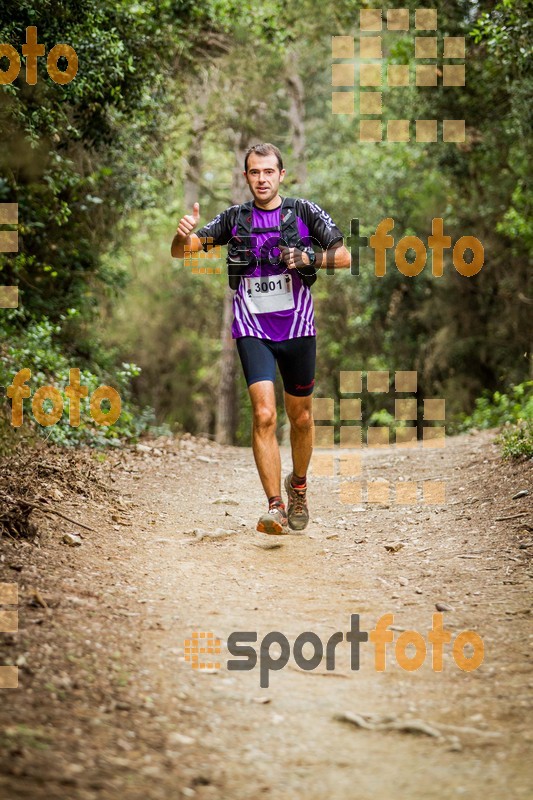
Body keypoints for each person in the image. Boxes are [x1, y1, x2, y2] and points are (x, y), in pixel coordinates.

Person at [171, 143, 351, 534]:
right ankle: (275, 506)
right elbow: (184, 253)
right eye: (254, 172)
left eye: (269, 171)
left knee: (301, 417)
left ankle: (298, 486)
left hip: (298, 326)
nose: (262, 179)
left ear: (281, 174)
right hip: (251, 326)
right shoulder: (235, 219)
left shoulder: (303, 211)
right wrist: (181, 234)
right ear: (246, 176)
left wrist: (309, 258)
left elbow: (344, 256)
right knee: (265, 414)